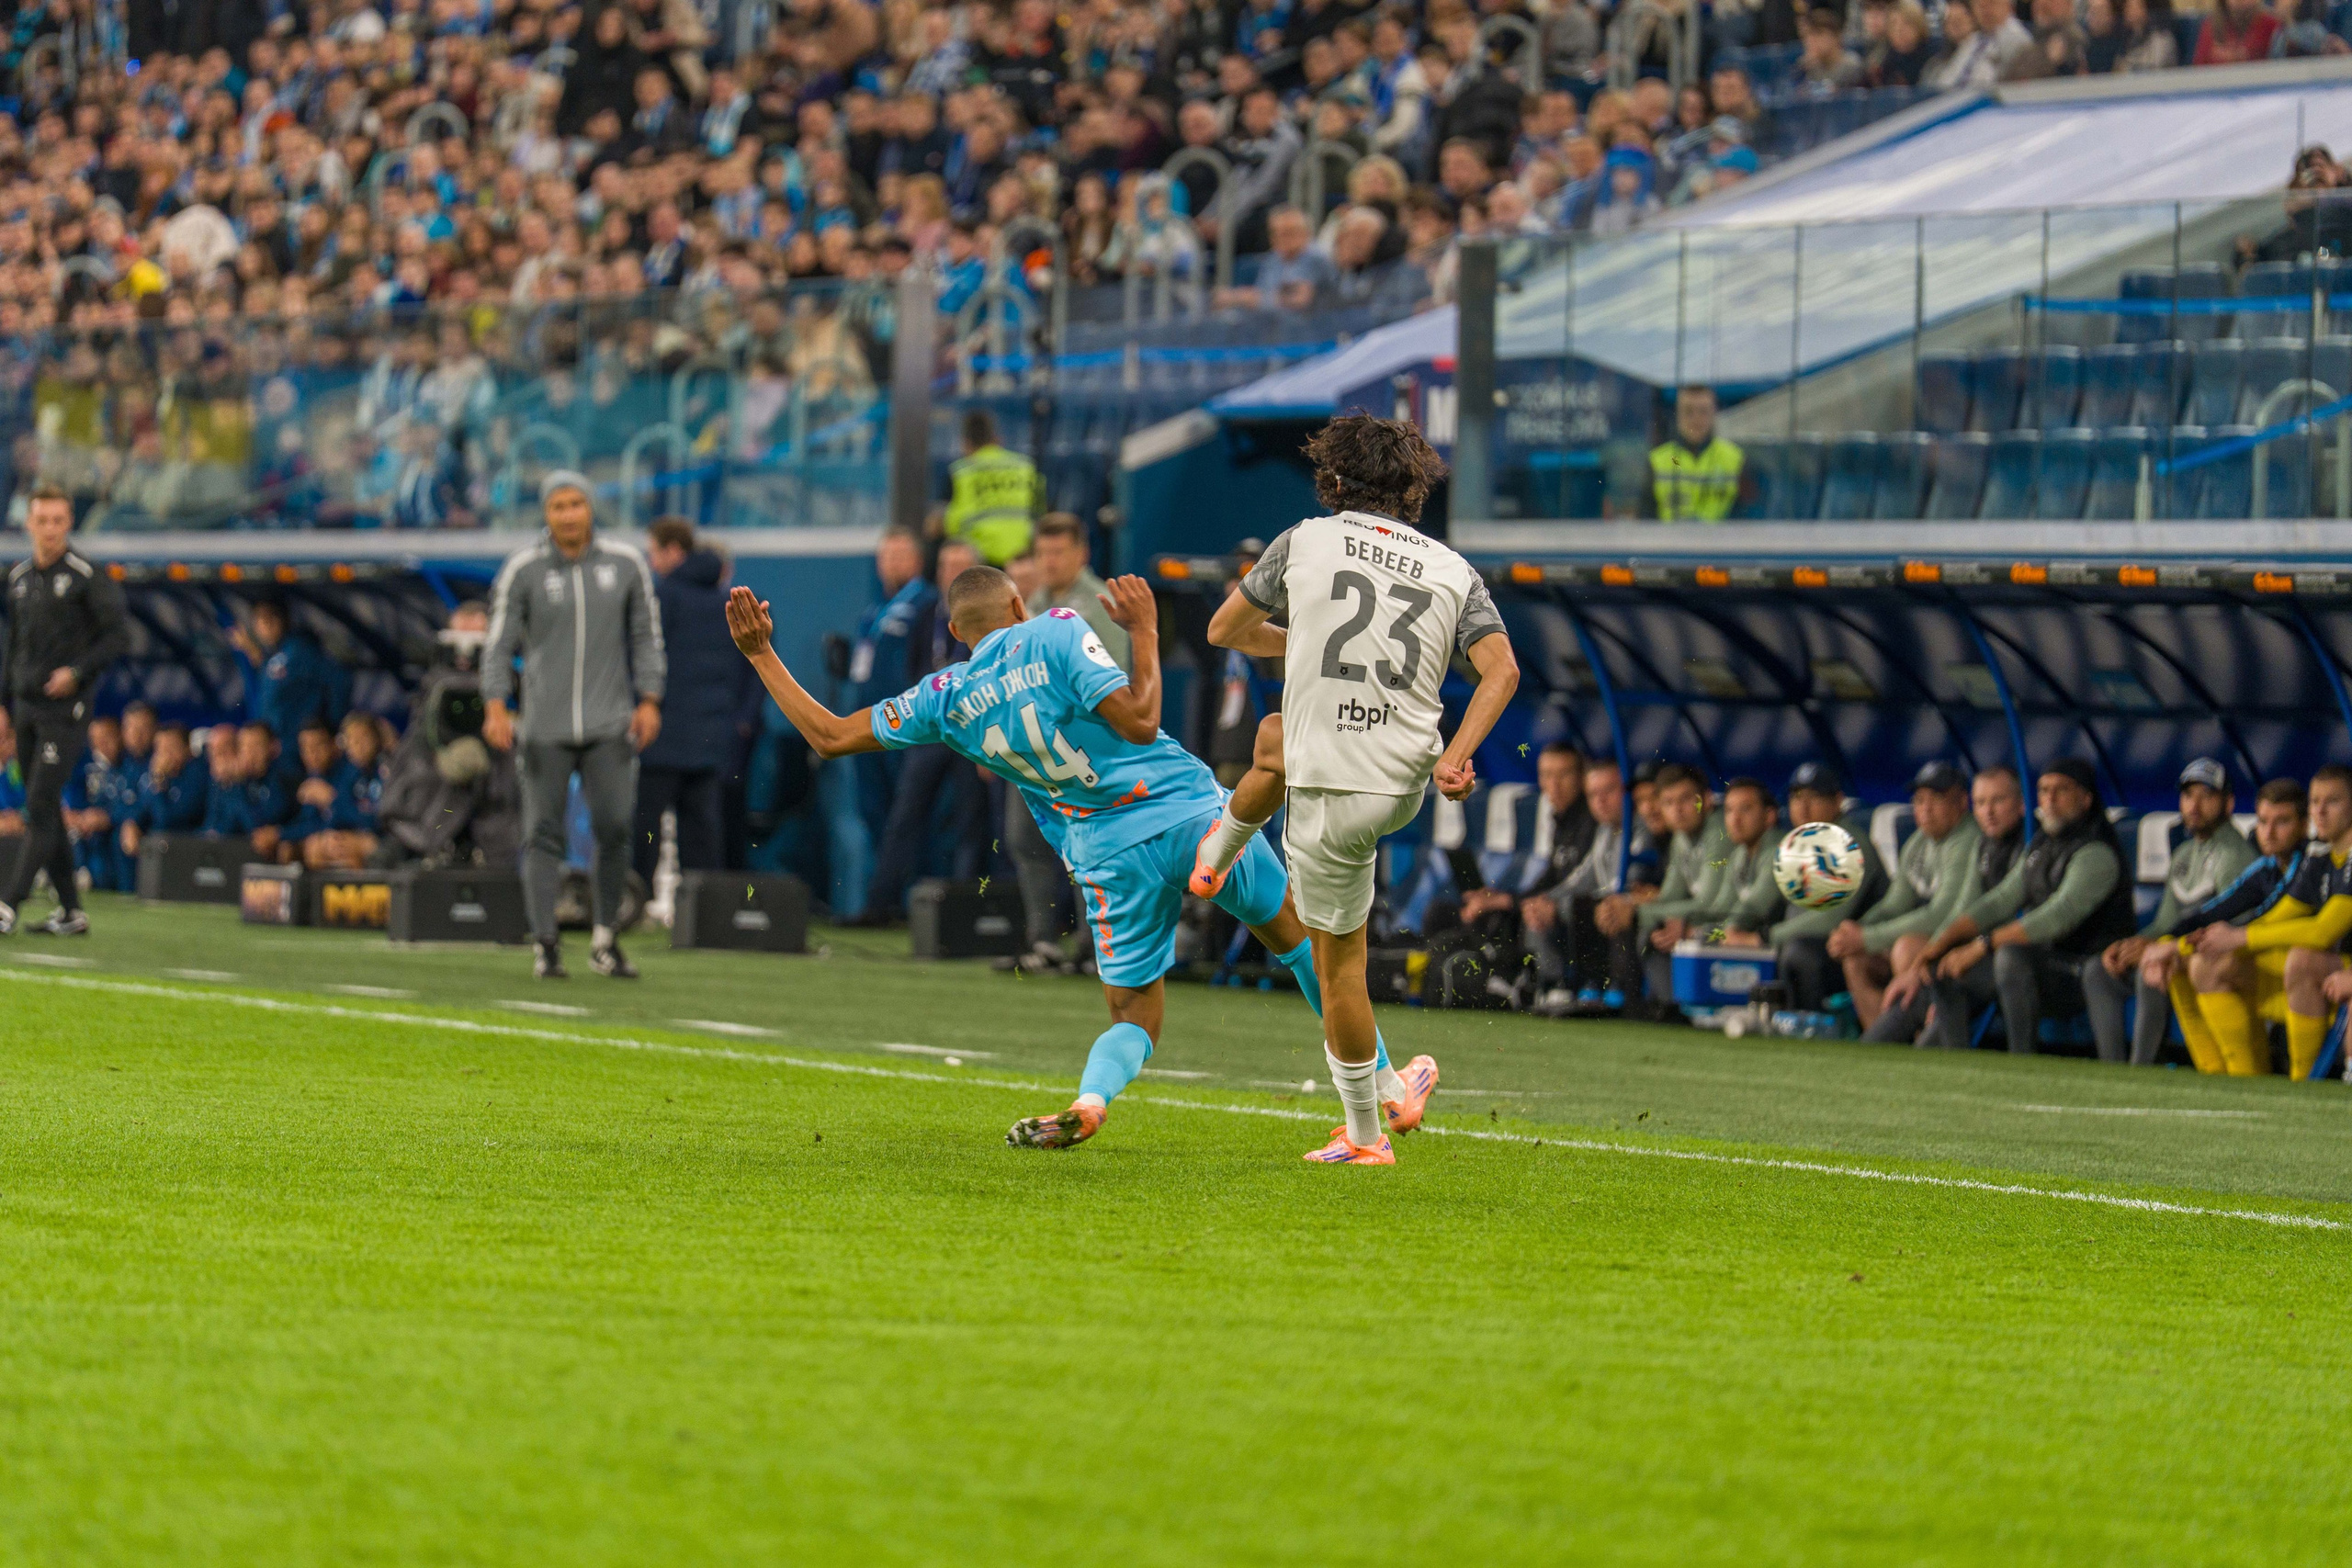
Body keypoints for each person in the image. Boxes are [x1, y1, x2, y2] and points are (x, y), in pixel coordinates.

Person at [726, 562, 1440, 1154]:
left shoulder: (943, 696)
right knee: (1304, 943)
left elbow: (827, 735)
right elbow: (1140, 719)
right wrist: (1146, 632)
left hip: (1103, 856)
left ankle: (1090, 1101)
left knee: (1134, 1014)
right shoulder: (1056, 631)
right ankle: (1384, 1091)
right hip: (1188, 815)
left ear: (954, 632)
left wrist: (762, 653)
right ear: (1017, 602)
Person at [1198, 413, 1519, 1165]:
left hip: (1334, 786)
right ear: (1412, 491)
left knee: (1334, 966)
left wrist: (1301, 641)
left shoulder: (1304, 540)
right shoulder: (1452, 568)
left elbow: (1222, 632)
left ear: (1334, 480)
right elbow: (1501, 671)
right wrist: (1457, 760)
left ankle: (1372, 1132)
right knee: (1275, 736)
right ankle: (1218, 849)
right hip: (1406, 773)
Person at [483, 471, 667, 981]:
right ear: (545, 514)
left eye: (576, 504)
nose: (568, 514)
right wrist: (496, 705)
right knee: (542, 834)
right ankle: (546, 943)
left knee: (615, 826)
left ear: (591, 508)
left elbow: (647, 637)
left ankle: (605, 938)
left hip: (610, 723)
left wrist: (650, 699)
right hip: (543, 726)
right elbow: (498, 644)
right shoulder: (523, 569)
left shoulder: (626, 564)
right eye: (557, 505)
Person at [1906, 761, 2137, 1053]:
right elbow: (2001, 899)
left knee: (2011, 957)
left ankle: (2021, 1060)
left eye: (2061, 791)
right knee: (1944, 967)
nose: (2050, 800)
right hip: (2046, 963)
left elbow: (2056, 917)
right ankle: (1956, 1062)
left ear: (2086, 798)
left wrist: (1981, 945)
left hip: (2086, 967)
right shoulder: (2043, 843)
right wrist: (1941, 942)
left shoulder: (2097, 852)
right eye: (2044, 791)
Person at [0, 483, 128, 935]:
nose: (50, 529)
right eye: (42, 520)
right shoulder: (17, 578)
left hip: (65, 711)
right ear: (28, 523)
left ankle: (8, 903)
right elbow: (12, 646)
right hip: (25, 707)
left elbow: (117, 637)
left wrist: (76, 672)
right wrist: (3, 702)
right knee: (47, 806)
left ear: (69, 523)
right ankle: (72, 911)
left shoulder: (86, 576)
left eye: (58, 521)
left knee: (37, 804)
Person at [2117, 778, 2310, 1074]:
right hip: (2278, 968)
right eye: (2262, 821)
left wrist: (2174, 946)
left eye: (2281, 822)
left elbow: (2264, 918)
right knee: (2180, 961)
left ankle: (2250, 1077)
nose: (2268, 833)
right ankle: (2214, 1072)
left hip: (2309, 976)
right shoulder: (2265, 868)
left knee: (2206, 964)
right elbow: (2213, 912)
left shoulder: (2311, 865)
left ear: (2304, 824)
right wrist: (2166, 943)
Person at [2081, 759, 2256, 1066]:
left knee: (2154, 967)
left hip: (2214, 959)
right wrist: (2130, 945)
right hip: (2178, 947)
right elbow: (2165, 921)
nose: (2195, 806)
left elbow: (2231, 925)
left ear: (2227, 804)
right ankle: (2111, 1069)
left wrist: (2156, 949)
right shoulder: (2184, 854)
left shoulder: (2235, 855)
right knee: (2100, 969)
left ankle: (2141, 1071)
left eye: (2206, 796)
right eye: (2188, 796)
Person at [2182, 766, 2352, 1078]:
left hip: (2337, 972)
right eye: (2315, 802)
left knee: (2303, 960)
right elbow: (2281, 914)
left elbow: (2323, 931)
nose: (2320, 811)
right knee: (2207, 961)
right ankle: (2238, 1080)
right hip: (2329, 974)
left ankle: (2305, 1081)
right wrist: (2195, 944)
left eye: (2333, 801)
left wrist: (2241, 938)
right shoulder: (2320, 853)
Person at [861, 539, 991, 919]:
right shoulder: (928, 613)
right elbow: (915, 667)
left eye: (961, 565)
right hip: (932, 729)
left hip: (971, 731)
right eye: (947, 564)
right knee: (905, 815)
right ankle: (881, 904)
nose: (951, 572)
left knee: (970, 821)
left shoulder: (987, 615)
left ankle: (965, 913)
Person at [633, 518, 759, 889]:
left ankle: (633, 900)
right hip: (710, 739)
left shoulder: (662, 596)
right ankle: (704, 911)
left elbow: (644, 657)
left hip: (661, 736)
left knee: (646, 828)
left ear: (673, 551)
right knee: (702, 833)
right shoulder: (725, 602)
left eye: (654, 552)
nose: (652, 561)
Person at [1724, 763, 1888, 1011]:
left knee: (1798, 951)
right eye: (1797, 797)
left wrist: (1763, 938)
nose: (1803, 806)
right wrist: (1732, 930)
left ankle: (1810, 1033)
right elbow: (1762, 900)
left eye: (1815, 798)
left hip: (1864, 950)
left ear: (1838, 801)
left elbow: (1828, 920)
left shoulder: (1849, 843)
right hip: (1815, 946)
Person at [1832, 761, 1980, 1029]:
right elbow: (1893, 905)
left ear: (1961, 802)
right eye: (1919, 800)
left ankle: (1922, 1038)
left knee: (1906, 947)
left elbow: (1941, 915)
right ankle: (1881, 1043)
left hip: (1962, 941)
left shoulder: (1968, 838)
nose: (1925, 809)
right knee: (1855, 958)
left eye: (1936, 799)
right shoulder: (1918, 842)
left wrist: (1867, 938)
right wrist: (1854, 931)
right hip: (1932, 940)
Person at [1528, 757, 1663, 1014]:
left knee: (1599, 906)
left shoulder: (1640, 827)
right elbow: (1581, 878)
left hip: (1634, 906)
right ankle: (1565, 983)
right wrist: (1546, 900)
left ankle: (1616, 986)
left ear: (1626, 793)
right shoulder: (1604, 831)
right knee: (1566, 904)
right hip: (1615, 904)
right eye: (1593, 794)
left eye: (1609, 791)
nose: (1601, 801)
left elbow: (1628, 881)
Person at [231, 592, 351, 744]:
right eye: (259, 619)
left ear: (284, 619)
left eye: (271, 617)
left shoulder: (300, 650)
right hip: (275, 746)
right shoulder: (273, 655)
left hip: (296, 745)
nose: (266, 624)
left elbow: (340, 680)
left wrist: (330, 726)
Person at [939, 408, 1041, 567]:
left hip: (979, 561)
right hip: (1023, 558)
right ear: (998, 440)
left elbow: (950, 524)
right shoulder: (1025, 466)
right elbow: (1041, 511)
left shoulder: (961, 471)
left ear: (965, 443)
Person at [1645, 386, 1755, 522]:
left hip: (1722, 541)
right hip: (1670, 541)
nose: (1696, 419)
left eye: (1703, 411)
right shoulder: (1659, 460)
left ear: (1714, 413)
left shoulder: (1735, 458)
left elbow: (1748, 518)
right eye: (1688, 411)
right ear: (1677, 415)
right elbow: (1645, 518)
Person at [63, 713, 132, 895]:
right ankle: (71, 874)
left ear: (119, 737)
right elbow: (72, 794)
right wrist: (78, 816)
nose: (100, 745)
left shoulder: (128, 764)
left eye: (106, 738)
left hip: (114, 827)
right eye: (95, 739)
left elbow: (132, 801)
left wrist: (108, 817)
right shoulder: (85, 764)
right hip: (88, 827)